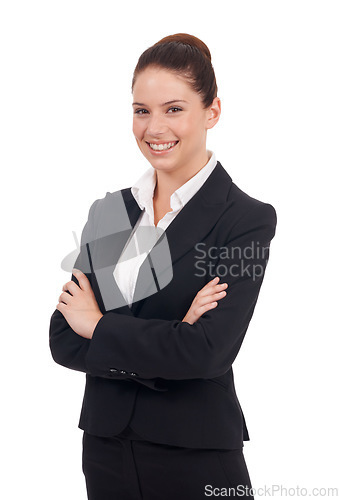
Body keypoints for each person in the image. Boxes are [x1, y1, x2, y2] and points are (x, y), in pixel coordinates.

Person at [49, 33, 277, 500]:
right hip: (106, 452)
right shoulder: (110, 212)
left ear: (212, 111)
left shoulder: (245, 220)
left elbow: (208, 352)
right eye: (141, 110)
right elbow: (62, 338)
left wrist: (99, 324)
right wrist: (173, 335)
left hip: (197, 456)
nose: (154, 128)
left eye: (174, 109)